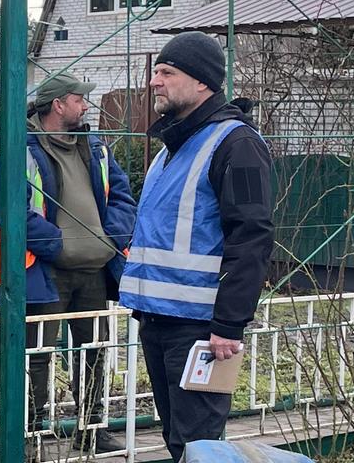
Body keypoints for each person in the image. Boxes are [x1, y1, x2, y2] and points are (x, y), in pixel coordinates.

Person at [119, 32, 275, 461]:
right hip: (160, 319)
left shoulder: (236, 145)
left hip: (202, 329)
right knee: (178, 442)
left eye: (167, 73)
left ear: (203, 82)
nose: (155, 82)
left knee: (199, 444)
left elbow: (252, 236)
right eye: (155, 72)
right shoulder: (173, 148)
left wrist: (228, 325)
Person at [0, 73, 136, 457]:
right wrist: (58, 245)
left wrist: (110, 237)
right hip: (45, 268)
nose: (85, 106)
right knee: (36, 352)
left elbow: (122, 196)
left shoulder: (96, 147)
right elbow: (10, 209)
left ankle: (91, 427)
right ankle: (31, 431)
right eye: (78, 100)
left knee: (94, 350)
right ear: (58, 105)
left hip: (95, 269)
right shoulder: (21, 147)